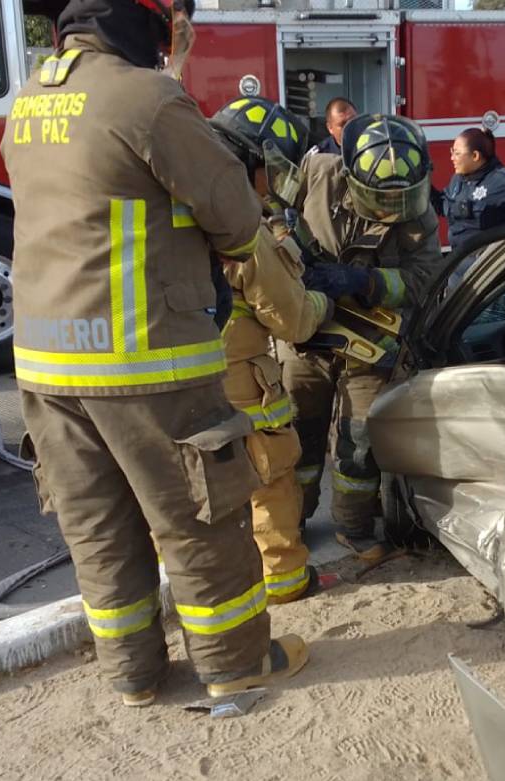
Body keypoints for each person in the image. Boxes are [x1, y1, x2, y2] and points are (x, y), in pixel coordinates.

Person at [0, 0, 308, 707]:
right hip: (145, 362)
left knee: (99, 527)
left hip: (47, 368)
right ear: (144, 23)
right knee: (198, 521)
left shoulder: (27, 101)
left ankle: (134, 676)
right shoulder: (146, 97)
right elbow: (233, 216)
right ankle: (236, 665)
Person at [280, 114, 444, 563]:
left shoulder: (419, 216)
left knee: (359, 441)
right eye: (381, 199)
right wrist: (284, 247)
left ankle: (353, 527)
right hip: (306, 337)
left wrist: (364, 281)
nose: (392, 209)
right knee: (297, 435)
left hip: (372, 343)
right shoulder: (317, 174)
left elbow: (423, 280)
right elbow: (261, 198)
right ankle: (289, 520)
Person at [209, 96, 334, 604]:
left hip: (171, 378)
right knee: (269, 479)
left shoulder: (166, 206)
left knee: (196, 488)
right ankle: (284, 585)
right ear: (252, 163)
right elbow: (294, 320)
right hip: (239, 379)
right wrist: (323, 296)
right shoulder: (242, 225)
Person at [434, 127, 505, 257]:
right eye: (452, 152)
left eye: (457, 153)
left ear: (475, 156)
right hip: (457, 263)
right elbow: (444, 206)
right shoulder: (458, 180)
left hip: (485, 267)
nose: (452, 158)